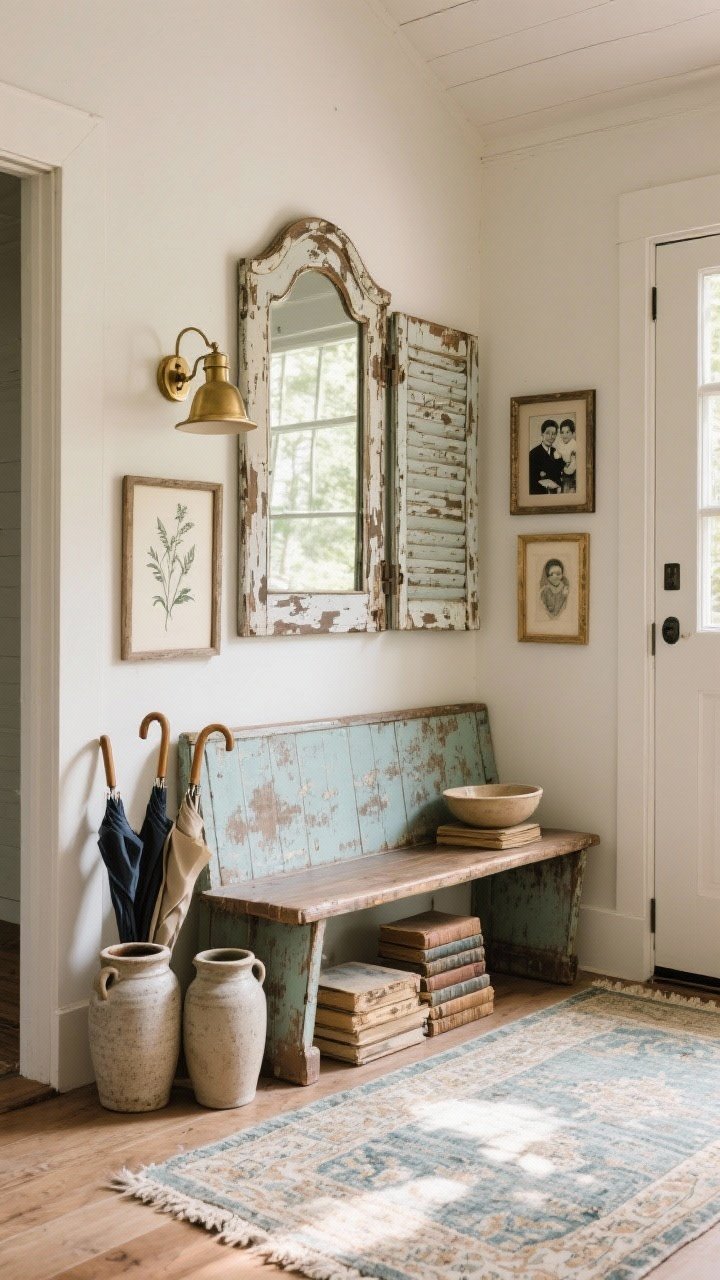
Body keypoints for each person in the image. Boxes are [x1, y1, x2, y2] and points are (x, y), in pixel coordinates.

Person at [528, 420, 563, 494]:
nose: (551, 437)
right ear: (542, 434)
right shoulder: (533, 454)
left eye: (553, 434)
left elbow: (559, 474)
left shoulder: (556, 452)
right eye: (547, 433)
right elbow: (531, 481)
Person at [555, 418, 577, 493]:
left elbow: (574, 462)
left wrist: (568, 468)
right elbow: (557, 453)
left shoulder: (574, 445)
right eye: (562, 432)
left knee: (567, 486)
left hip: (571, 470)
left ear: (573, 433)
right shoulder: (560, 443)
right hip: (562, 468)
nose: (564, 435)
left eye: (567, 432)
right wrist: (557, 455)